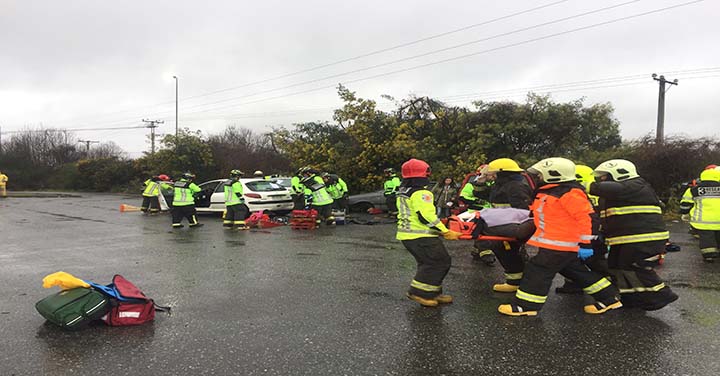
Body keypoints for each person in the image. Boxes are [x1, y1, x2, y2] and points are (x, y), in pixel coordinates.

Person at [499, 157, 622, 316]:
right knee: (576, 272)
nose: (538, 178)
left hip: (560, 245)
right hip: (558, 244)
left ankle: (526, 306)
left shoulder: (570, 193)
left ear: (554, 174)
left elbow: (586, 218)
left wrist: (586, 243)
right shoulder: (549, 191)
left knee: (538, 270)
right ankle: (609, 298)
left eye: (541, 175)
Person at [590, 159, 678, 310]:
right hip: (625, 238)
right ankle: (632, 297)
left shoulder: (634, 185)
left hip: (643, 238)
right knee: (617, 266)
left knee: (636, 267)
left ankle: (662, 295)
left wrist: (578, 183)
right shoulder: (620, 191)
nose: (602, 179)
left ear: (619, 174)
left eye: (605, 176)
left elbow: (597, 188)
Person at [396, 158, 462, 307]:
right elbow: (426, 216)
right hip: (421, 236)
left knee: (428, 263)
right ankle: (418, 293)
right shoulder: (421, 193)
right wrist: (445, 231)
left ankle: (433, 292)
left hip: (408, 236)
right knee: (440, 262)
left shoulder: (403, 191)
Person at [484, 158, 534, 292]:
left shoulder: (515, 186)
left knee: (507, 251)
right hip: (504, 223)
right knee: (504, 250)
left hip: (512, 225)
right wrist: (480, 180)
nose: (491, 175)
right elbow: (480, 193)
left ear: (502, 173)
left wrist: (519, 228)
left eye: (493, 173)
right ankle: (516, 281)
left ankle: (516, 281)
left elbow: (523, 209)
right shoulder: (500, 185)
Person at [680, 167, 720, 261]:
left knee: (707, 238)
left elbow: (685, 203)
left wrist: (684, 213)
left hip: (703, 221)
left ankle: (709, 255)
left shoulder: (694, 189)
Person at [459, 165, 496, 265]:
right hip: (476, 212)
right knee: (483, 231)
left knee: (485, 231)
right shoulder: (471, 185)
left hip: (492, 211)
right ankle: (486, 253)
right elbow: (463, 197)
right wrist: (476, 201)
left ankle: (476, 251)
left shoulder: (493, 184)